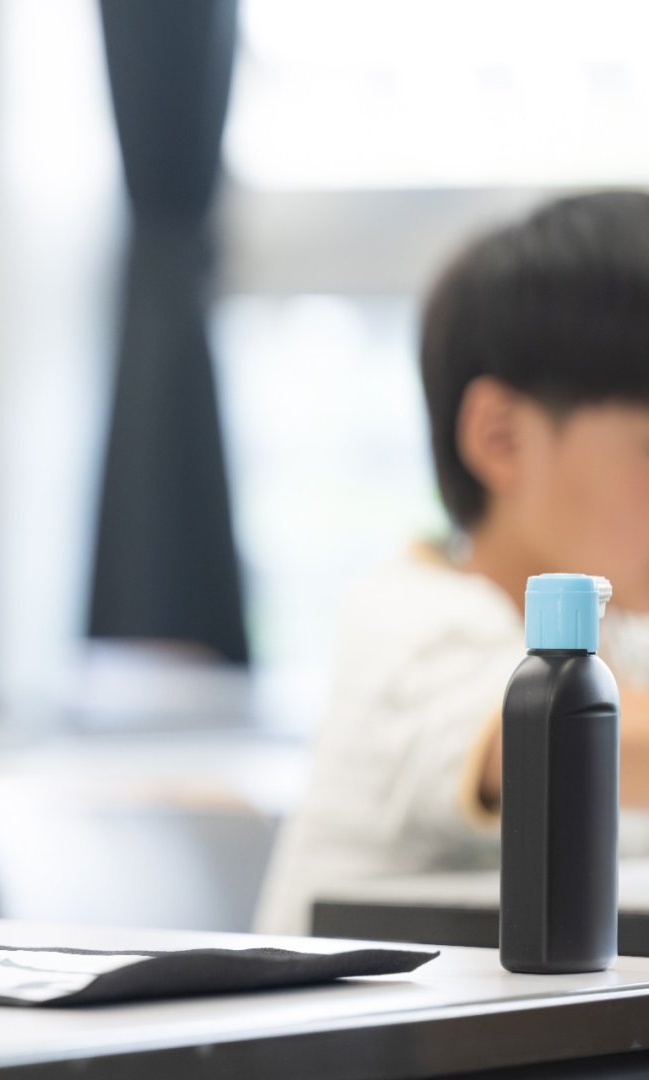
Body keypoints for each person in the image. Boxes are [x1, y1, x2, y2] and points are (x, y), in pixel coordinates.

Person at [256, 191, 649, 935]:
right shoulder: (410, 621)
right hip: (358, 1048)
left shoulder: (623, 637)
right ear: (500, 437)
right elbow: (556, 741)